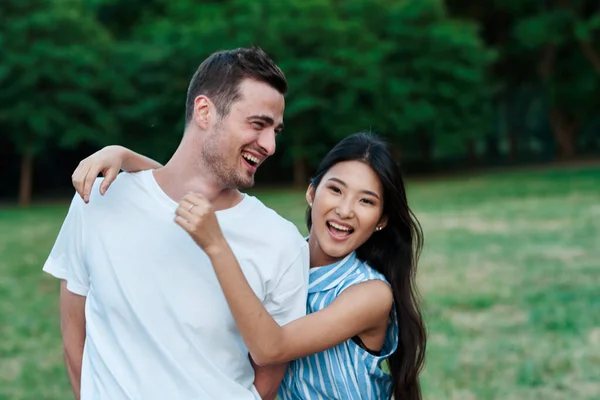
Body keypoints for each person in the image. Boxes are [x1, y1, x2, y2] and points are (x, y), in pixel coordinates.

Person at [43, 47, 311, 400]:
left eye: (275, 130)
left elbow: (269, 378)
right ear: (204, 112)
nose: (270, 145)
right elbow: (73, 338)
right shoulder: (100, 200)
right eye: (258, 124)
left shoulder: (282, 242)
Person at [73, 132, 427, 399]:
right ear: (311, 193)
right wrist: (123, 155)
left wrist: (217, 245)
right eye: (336, 190)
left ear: (381, 220)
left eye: (366, 201)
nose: (346, 209)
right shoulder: (283, 257)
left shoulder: (370, 294)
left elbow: (271, 348)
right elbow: (182, 186)